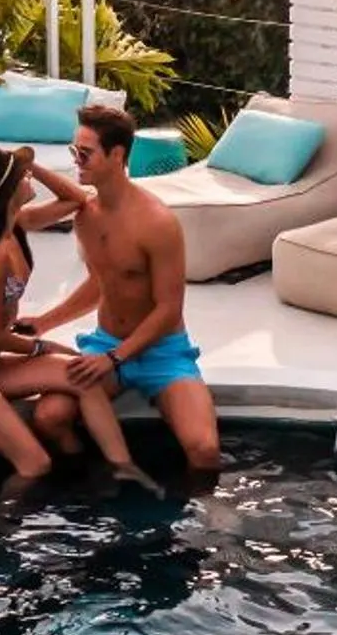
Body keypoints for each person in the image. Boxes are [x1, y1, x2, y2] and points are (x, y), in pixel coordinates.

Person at [0, 144, 146, 485]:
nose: (29, 176)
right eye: (21, 175)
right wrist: (45, 347)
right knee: (34, 463)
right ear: (9, 191)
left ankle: (123, 469)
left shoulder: (17, 224)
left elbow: (77, 199)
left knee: (80, 376)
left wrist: (31, 165)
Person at [23, 103, 223, 473]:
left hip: (161, 352)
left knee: (204, 449)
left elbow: (168, 310)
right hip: (106, 343)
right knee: (50, 418)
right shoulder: (86, 215)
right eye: (74, 153)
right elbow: (101, 282)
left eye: (85, 154)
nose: (76, 162)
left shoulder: (157, 223)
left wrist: (115, 359)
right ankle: (95, 487)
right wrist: (44, 323)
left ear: (117, 155)